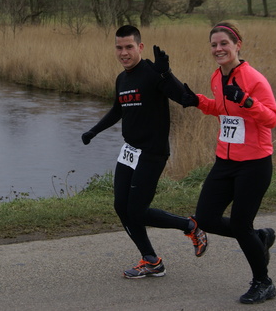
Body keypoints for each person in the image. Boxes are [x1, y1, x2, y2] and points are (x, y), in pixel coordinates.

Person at [159, 20, 276, 304]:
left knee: (240, 224)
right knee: (206, 218)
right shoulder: (218, 77)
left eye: (224, 43)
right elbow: (221, 108)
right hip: (225, 162)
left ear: (238, 45)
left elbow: (272, 118)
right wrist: (197, 100)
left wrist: (249, 102)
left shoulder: (254, 78)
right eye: (214, 44)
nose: (218, 49)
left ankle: (264, 282)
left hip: (254, 163)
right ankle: (258, 238)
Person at [81, 24, 207, 279]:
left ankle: (190, 225)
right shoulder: (122, 78)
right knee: (121, 206)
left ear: (139, 47)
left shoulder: (152, 71)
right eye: (119, 47)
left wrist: (166, 74)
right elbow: (118, 110)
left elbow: (183, 98)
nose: (124, 52)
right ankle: (151, 260)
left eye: (129, 47)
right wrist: (94, 131)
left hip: (152, 152)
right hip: (129, 151)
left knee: (137, 210)